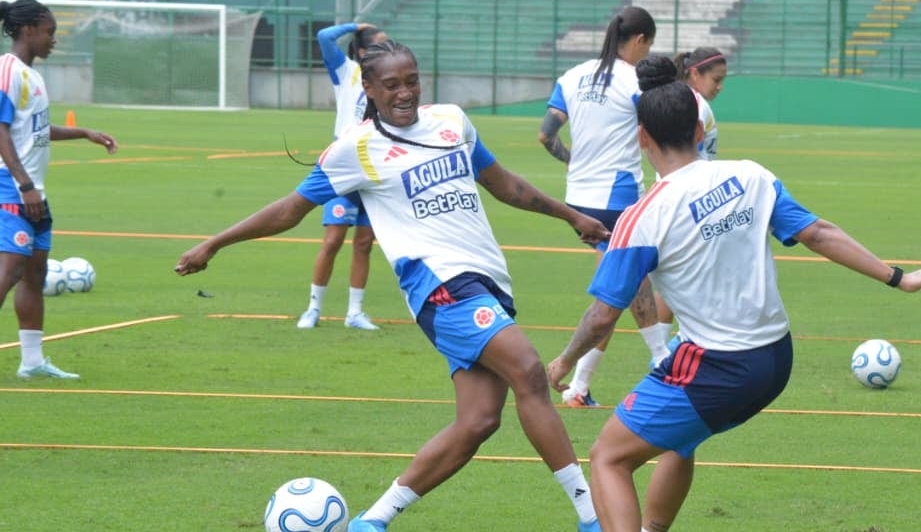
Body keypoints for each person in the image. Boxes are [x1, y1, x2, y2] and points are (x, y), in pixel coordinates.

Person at [175, 40, 608, 532]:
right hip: (439, 286)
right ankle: (593, 517)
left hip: (486, 279)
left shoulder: (452, 121)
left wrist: (572, 216)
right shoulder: (354, 149)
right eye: (392, 84)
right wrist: (215, 243)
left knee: (478, 422)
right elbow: (289, 210)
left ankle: (372, 521)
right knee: (529, 371)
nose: (405, 92)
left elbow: (505, 184)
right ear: (370, 88)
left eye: (412, 80)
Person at [546, 56, 921, 532]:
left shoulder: (643, 217)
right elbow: (819, 233)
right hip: (775, 359)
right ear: (700, 131)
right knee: (681, 437)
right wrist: (901, 277)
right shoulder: (750, 176)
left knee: (608, 457)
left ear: (641, 138)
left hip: (718, 367)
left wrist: (563, 362)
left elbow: (602, 316)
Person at [538, 6, 667, 406]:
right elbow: (654, 132)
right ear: (641, 40)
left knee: (618, 283)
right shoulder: (635, 81)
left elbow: (546, 135)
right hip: (618, 196)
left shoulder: (573, 76)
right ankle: (664, 359)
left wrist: (574, 161)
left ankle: (580, 386)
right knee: (639, 278)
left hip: (578, 201)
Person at [0, 0, 118, 379]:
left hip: (35, 191)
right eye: (50, 32)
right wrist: (25, 184)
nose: (54, 39)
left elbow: (33, 131)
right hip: (11, 187)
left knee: (35, 273)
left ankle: (32, 362)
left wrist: (84, 132)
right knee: (9, 270)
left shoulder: (33, 76)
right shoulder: (8, 70)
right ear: (28, 29)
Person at [296, 21, 386, 332]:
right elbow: (323, 36)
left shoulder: (387, 78)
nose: (385, 50)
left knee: (364, 244)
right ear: (362, 51)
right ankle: (313, 307)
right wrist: (355, 25)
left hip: (375, 169)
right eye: (378, 44)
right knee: (333, 239)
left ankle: (355, 312)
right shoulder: (347, 71)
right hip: (344, 167)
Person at [647, 47, 731, 363]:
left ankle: (667, 348)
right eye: (716, 79)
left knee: (673, 279)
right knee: (687, 277)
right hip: (689, 202)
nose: (720, 86)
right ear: (695, 73)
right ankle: (668, 349)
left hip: (682, 198)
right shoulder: (693, 106)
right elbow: (687, 162)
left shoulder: (691, 103)